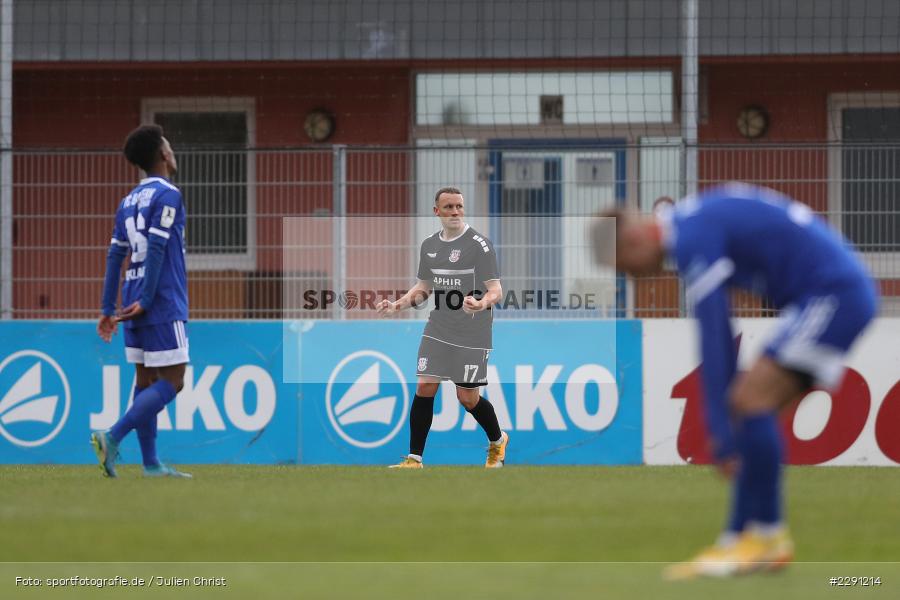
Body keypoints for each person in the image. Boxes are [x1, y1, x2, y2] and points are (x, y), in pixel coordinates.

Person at [593, 182, 878, 579]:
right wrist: (727, 422)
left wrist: (720, 432)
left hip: (833, 296)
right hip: (822, 298)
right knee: (748, 405)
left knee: (751, 400)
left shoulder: (691, 234)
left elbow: (714, 330)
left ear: (634, 238)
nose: (632, 276)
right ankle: (739, 541)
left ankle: (765, 537)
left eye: (625, 265)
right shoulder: (693, 223)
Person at [377, 187, 509, 468]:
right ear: (436, 211)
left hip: (473, 331)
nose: (455, 212)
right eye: (448, 207)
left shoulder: (479, 245)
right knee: (425, 385)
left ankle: (497, 441)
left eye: (459, 206)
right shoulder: (429, 245)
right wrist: (396, 306)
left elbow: (496, 289)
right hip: (438, 326)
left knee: (467, 398)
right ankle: (414, 459)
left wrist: (482, 302)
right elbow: (424, 287)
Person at [91, 124, 192, 479]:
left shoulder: (127, 202)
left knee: (146, 380)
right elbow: (160, 247)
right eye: (168, 143)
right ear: (163, 154)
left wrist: (107, 308)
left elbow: (114, 256)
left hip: (130, 299)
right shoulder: (169, 194)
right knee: (174, 380)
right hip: (159, 299)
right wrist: (149, 299)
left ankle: (150, 464)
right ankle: (113, 436)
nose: (171, 148)